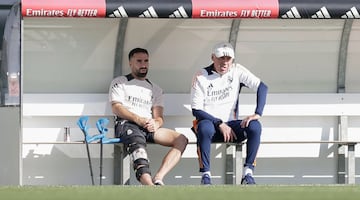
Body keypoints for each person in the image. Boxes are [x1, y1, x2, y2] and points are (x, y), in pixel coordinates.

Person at [190, 42, 268, 185]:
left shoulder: (237, 70)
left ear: (233, 60)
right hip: (210, 125)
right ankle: (206, 175)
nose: (225, 62)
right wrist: (219, 123)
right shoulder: (201, 75)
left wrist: (257, 113)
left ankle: (248, 173)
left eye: (228, 59)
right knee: (204, 127)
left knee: (255, 126)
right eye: (221, 58)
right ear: (213, 57)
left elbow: (262, 87)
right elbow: (196, 110)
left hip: (232, 126)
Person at [109, 47, 188, 185]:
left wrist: (156, 124)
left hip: (147, 126)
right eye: (139, 61)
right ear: (130, 63)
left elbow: (159, 117)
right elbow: (116, 107)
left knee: (181, 139)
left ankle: (158, 178)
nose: (143, 64)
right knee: (137, 142)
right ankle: (149, 186)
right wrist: (138, 119)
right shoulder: (120, 82)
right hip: (127, 123)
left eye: (146, 61)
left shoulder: (155, 88)